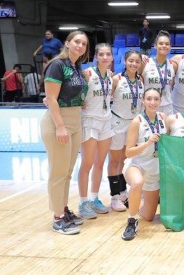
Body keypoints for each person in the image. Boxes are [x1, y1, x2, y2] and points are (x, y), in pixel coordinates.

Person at [40, 30, 89, 235]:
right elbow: (51, 99)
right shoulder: (57, 65)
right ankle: (57, 217)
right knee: (58, 173)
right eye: (77, 42)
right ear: (67, 43)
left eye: (84, 44)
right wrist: (60, 126)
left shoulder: (76, 67)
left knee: (67, 172)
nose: (80, 46)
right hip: (59, 122)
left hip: (75, 120)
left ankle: (64, 209)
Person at [121, 88, 168, 241]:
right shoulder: (137, 122)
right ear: (143, 101)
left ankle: (134, 199)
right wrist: (147, 143)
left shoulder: (163, 117)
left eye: (156, 99)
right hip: (137, 165)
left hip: (154, 170)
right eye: (149, 99)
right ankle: (131, 221)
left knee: (148, 216)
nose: (152, 102)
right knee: (137, 182)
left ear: (160, 101)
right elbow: (128, 152)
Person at [77, 43, 114, 219]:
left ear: (112, 57)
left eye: (108, 54)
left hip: (106, 122)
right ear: (96, 57)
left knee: (100, 163)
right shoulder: (88, 74)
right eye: (102, 54)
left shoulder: (111, 76)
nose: (105, 57)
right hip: (90, 121)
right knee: (87, 163)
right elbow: (73, 92)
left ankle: (94, 198)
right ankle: (83, 202)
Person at [108, 50, 144, 212]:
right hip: (117, 123)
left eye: (137, 61)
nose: (133, 64)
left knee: (124, 160)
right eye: (131, 60)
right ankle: (115, 196)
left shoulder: (140, 80)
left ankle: (123, 194)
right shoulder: (116, 79)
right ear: (124, 61)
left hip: (132, 124)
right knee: (115, 160)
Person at [142, 33, 176, 115]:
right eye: (161, 43)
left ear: (170, 46)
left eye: (167, 44)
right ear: (155, 45)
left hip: (167, 106)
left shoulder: (173, 65)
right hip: (150, 105)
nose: (164, 46)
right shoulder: (145, 63)